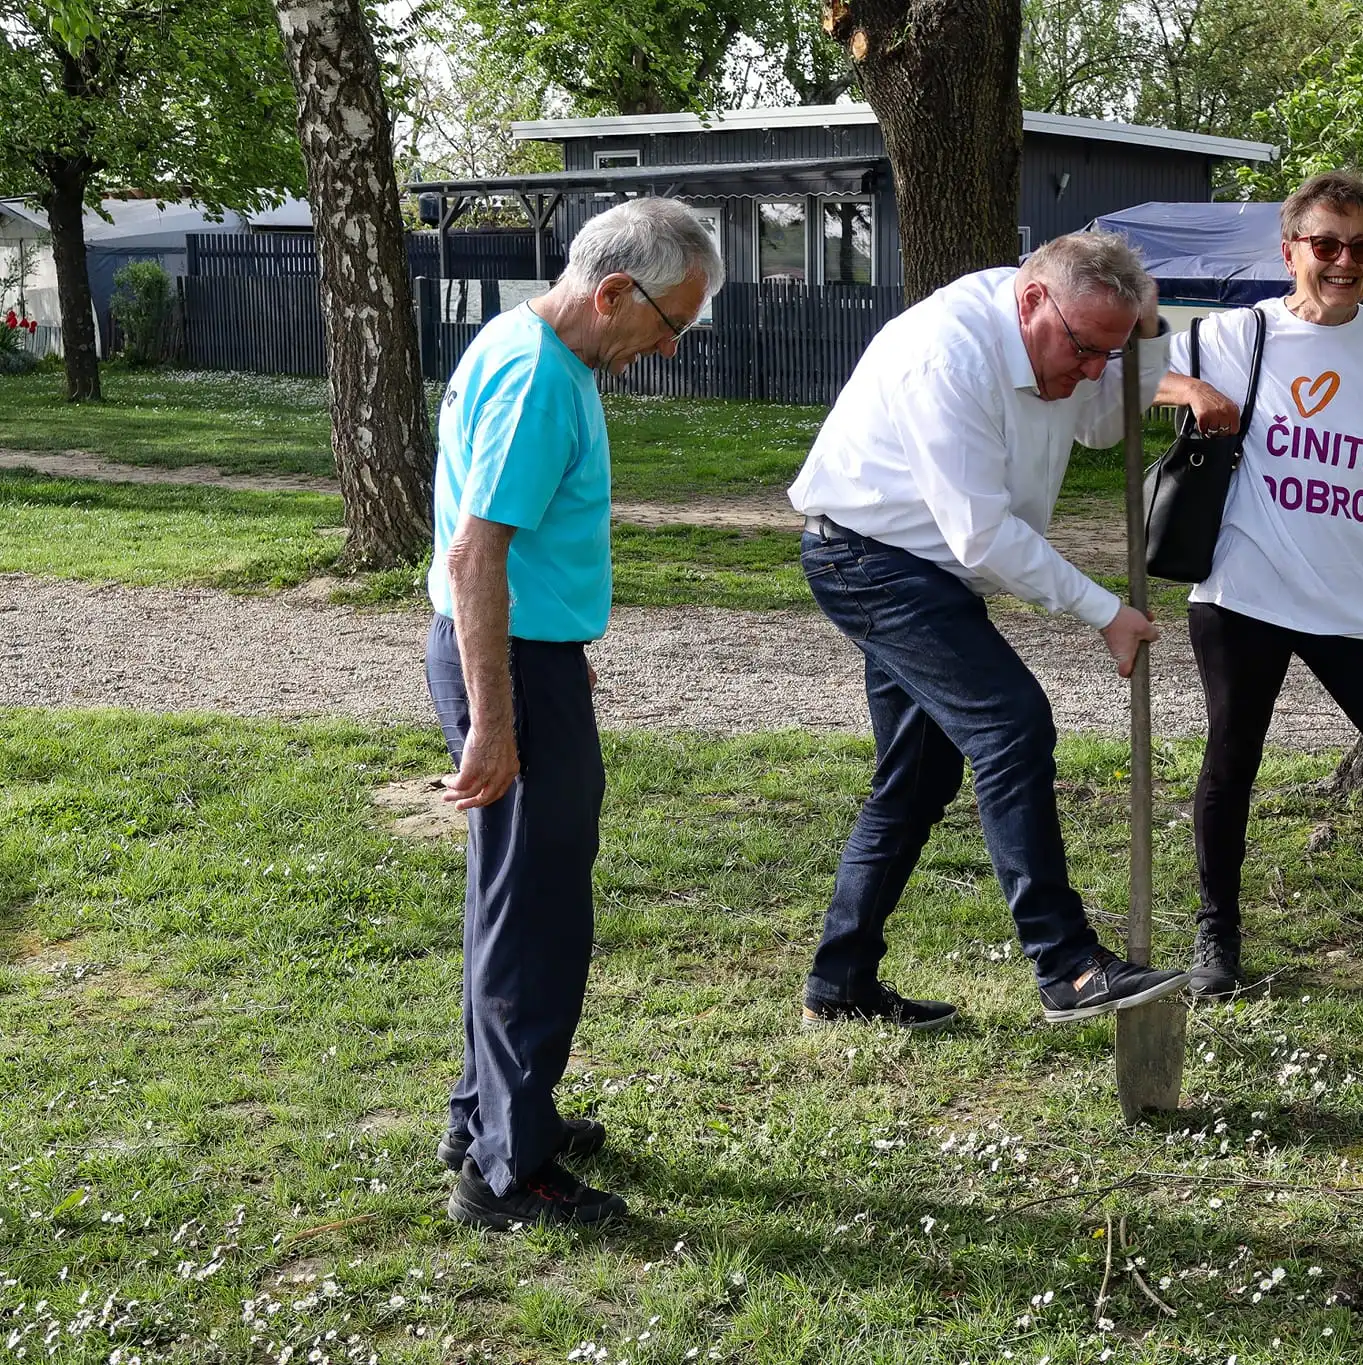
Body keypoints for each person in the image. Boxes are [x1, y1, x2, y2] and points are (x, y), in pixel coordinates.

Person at [788, 231, 1189, 1031]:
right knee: (1011, 725)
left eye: (1107, 354)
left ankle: (840, 983)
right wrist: (1105, 612)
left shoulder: (1068, 332)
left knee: (916, 781)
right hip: (870, 560)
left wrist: (1149, 338)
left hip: (924, 569)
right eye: (1083, 350)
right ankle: (1066, 965)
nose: (1089, 372)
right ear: (1034, 299)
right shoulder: (948, 354)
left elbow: (1103, 424)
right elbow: (981, 536)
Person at [426, 196, 723, 1229]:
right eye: (668, 322)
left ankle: (491, 1117)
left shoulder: (520, 341)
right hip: (505, 660)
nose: (666, 346)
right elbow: (476, 555)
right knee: (538, 920)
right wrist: (497, 717)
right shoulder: (543, 379)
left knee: (514, 902)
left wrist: (552, 653)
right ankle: (509, 1171)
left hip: (525, 651)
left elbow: (511, 552)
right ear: (611, 292)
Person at [1154, 170, 1363, 1041]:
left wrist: (1361, 531)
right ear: (1290, 250)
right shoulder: (1233, 334)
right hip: (1244, 590)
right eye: (1326, 245)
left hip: (1360, 600)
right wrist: (1196, 393)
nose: (1345, 263)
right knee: (1232, 762)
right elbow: (1132, 369)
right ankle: (1216, 938)